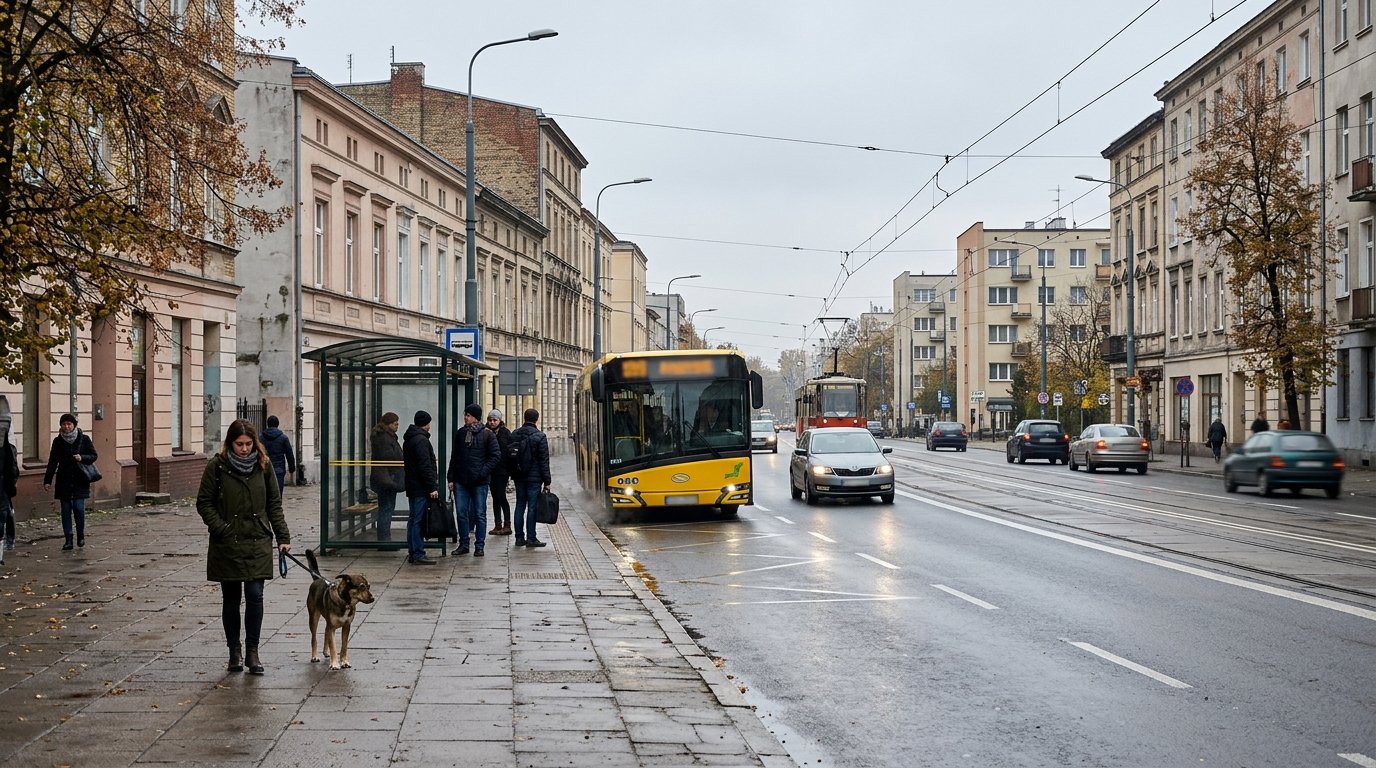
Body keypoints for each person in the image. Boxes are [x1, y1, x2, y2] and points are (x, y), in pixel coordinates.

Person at [195, 419, 292, 675]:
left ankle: (252, 651)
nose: (244, 449)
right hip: (227, 543)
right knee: (231, 598)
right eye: (239, 444)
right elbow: (204, 502)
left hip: (256, 540)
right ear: (230, 443)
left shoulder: (264, 465)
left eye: (249, 444)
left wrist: (282, 536)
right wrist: (222, 528)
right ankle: (234, 651)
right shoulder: (216, 466)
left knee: (255, 596)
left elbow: (274, 503)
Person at [447, 404, 500, 556]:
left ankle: (480, 546)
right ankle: (463, 544)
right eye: (465, 415)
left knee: (479, 513)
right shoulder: (461, 433)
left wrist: (482, 472)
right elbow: (455, 457)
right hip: (461, 480)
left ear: (475, 417)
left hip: (479, 481)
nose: (465, 417)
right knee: (462, 513)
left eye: (468, 415)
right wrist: (451, 478)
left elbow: (495, 456)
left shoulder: (487, 434)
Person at [43, 413, 97, 551]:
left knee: (79, 508)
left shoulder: (84, 439)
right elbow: (53, 461)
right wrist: (48, 480)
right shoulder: (58, 441)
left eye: (69, 424)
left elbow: (93, 455)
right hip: (64, 480)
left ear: (74, 425)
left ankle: (80, 535)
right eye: (64, 424)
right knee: (66, 511)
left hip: (80, 479)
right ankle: (68, 539)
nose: (66, 427)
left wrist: (82, 457)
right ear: (61, 425)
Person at [510, 408, 552, 548]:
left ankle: (519, 538)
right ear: (536, 419)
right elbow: (544, 461)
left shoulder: (515, 434)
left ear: (524, 418)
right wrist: (547, 482)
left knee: (520, 505)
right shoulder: (540, 436)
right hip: (534, 478)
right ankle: (531, 538)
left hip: (518, 476)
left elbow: (509, 455)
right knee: (532, 507)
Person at [402, 410, 439, 565]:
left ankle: (413, 551)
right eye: (429, 423)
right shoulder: (421, 440)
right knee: (418, 520)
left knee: (413, 519)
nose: (430, 426)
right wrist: (432, 487)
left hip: (412, 485)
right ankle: (418, 553)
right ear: (426, 424)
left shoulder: (409, 439)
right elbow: (425, 466)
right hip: (420, 487)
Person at [369, 412, 405, 543]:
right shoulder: (384, 438)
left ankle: (385, 537)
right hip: (387, 479)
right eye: (395, 424)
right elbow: (389, 456)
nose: (397, 426)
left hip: (386, 478)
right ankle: (384, 539)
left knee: (387, 507)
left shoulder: (384, 436)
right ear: (388, 424)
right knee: (386, 508)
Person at [486, 409, 513, 536]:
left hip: (502, 471)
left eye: (494, 420)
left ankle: (507, 524)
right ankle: (498, 524)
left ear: (500, 421)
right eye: (490, 420)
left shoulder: (505, 433)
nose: (492, 422)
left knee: (501, 496)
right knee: (495, 497)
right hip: (490, 470)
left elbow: (508, 452)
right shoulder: (485, 432)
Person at [260, 415, 296, 493]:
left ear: (267, 424)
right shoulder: (283, 438)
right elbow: (289, 454)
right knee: (278, 493)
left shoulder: (261, 438)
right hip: (279, 469)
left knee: (266, 492)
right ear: (277, 424)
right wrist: (291, 468)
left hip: (265, 468)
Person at [1, 418, 18, 558]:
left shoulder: (7, 445)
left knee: (5, 511)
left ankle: (9, 538)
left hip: (4, 483)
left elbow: (11, 465)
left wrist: (12, 482)